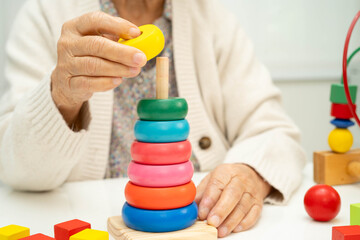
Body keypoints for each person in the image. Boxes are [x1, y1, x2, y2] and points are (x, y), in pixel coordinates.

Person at [0, 0, 306, 237]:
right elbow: (15, 166)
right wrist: (61, 95)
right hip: (81, 221)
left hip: (197, 224)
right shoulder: (46, 12)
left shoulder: (210, 16)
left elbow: (274, 130)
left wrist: (249, 172)